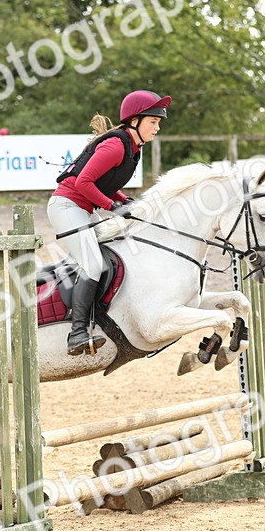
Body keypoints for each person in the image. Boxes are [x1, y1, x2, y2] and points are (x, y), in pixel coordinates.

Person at [48, 89, 169, 356]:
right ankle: (77, 333)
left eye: (158, 123)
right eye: (153, 122)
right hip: (67, 206)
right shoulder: (116, 145)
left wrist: (125, 200)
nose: (157, 127)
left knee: (113, 253)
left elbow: (106, 183)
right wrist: (112, 206)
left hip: (83, 208)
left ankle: (98, 314)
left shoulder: (133, 147)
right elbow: (83, 182)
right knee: (93, 263)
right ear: (135, 120)